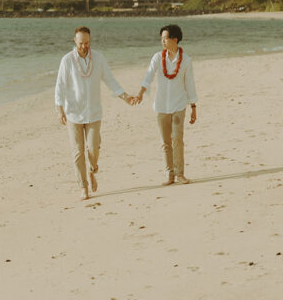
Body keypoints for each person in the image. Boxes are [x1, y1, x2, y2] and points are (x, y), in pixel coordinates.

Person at [55, 26, 134, 200]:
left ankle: (92, 170)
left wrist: (124, 96)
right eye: (81, 43)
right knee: (78, 152)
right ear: (74, 41)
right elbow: (60, 85)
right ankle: (83, 186)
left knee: (93, 149)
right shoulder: (67, 60)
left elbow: (110, 80)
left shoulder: (98, 58)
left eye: (87, 43)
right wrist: (59, 109)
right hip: (73, 113)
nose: (84, 46)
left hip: (94, 113)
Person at [135, 24, 197, 185]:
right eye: (161, 39)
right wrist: (141, 92)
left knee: (177, 139)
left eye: (165, 38)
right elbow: (148, 76)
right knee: (166, 142)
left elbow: (190, 84)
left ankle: (180, 173)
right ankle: (169, 174)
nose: (162, 42)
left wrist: (193, 107)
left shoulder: (186, 61)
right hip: (161, 105)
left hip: (178, 105)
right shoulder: (157, 57)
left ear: (174, 40)